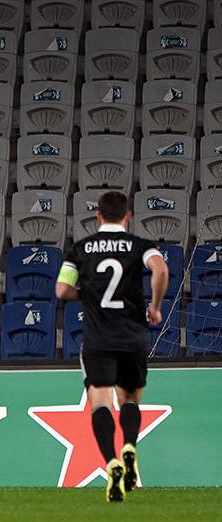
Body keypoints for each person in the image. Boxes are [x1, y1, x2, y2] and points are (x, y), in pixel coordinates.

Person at [56, 190, 169, 503]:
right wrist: (155, 307)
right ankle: (129, 446)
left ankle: (111, 462)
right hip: (132, 337)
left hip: (97, 339)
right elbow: (161, 269)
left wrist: (88, 295)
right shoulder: (140, 245)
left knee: (100, 403)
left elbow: (62, 290)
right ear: (128, 216)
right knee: (130, 399)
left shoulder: (80, 249)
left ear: (98, 216)